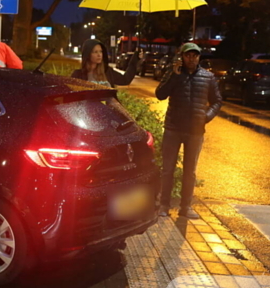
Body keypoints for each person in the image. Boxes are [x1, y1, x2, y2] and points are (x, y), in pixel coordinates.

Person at [155, 42, 223, 218]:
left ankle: (186, 207)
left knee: (190, 171)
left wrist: (206, 116)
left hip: (195, 131)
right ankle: (164, 205)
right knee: (168, 169)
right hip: (173, 128)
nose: (191, 59)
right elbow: (160, 94)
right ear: (182, 57)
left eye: (195, 55)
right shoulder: (174, 74)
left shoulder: (207, 77)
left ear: (199, 57)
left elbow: (217, 101)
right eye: (188, 55)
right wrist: (174, 76)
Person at [70, 39, 141, 87]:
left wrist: (135, 59)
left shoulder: (107, 72)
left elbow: (125, 80)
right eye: (95, 52)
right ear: (87, 54)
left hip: (107, 109)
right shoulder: (78, 75)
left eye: (100, 51)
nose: (99, 55)